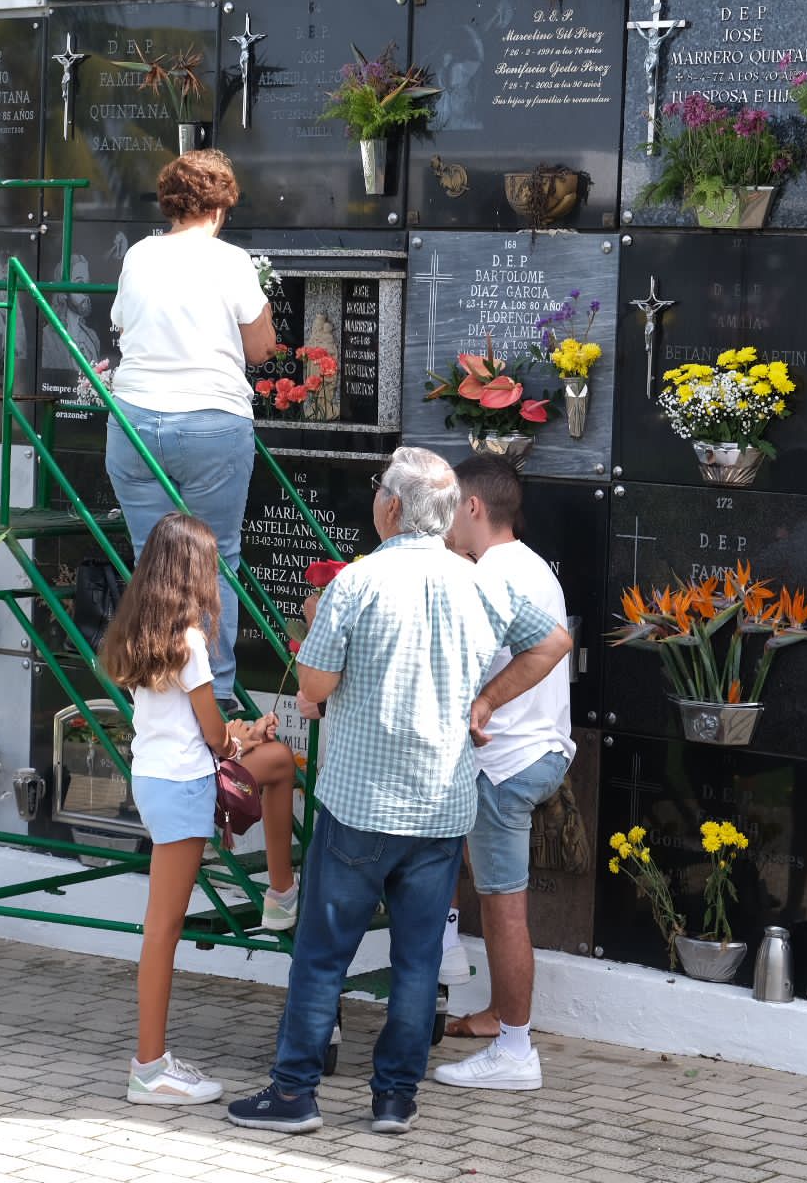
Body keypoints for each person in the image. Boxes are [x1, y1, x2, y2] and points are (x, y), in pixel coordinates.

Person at [225, 447, 571, 1136]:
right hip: (442, 805)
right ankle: (394, 1100)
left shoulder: (358, 582)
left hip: (361, 802)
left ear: (390, 506)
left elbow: (314, 689)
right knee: (416, 961)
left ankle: (295, 1093)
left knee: (324, 953)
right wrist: (484, 704)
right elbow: (553, 643)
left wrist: (326, 681)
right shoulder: (481, 582)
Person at [99, 512, 300, 1105]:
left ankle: (281, 893)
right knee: (162, 931)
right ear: (192, 570)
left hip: (156, 779)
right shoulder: (188, 639)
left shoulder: (138, 629)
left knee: (280, 761)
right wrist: (243, 735)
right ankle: (150, 1067)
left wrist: (238, 736)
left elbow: (190, 726)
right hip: (187, 785)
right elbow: (215, 738)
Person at [104, 149, 276, 706]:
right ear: (222, 206)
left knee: (149, 559)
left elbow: (122, 326)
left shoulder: (140, 255)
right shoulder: (231, 261)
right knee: (215, 559)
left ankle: (153, 698)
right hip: (210, 424)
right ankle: (216, 699)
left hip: (133, 425)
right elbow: (260, 347)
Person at [432, 455, 574, 1091]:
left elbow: (543, 649)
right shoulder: (526, 564)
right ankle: (494, 1015)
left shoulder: (493, 574)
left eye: (447, 507)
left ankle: (516, 1052)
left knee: (504, 908)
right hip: (534, 752)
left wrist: (484, 702)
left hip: (505, 763)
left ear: (471, 506)